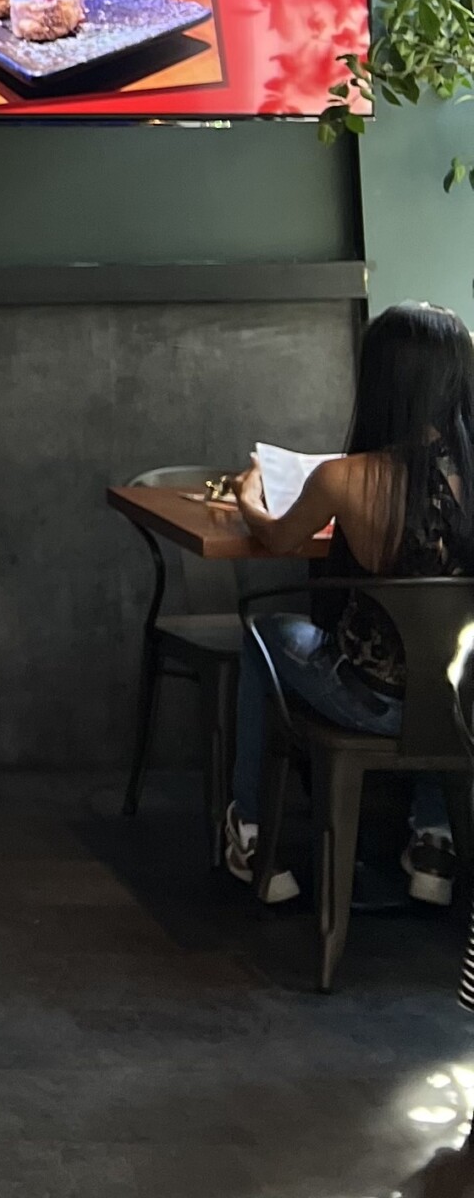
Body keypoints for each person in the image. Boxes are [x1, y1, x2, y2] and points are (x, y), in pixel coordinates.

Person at [224, 303, 474, 906]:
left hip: (372, 701)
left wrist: (248, 491)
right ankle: (434, 841)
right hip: (466, 706)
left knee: (263, 634)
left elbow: (277, 537)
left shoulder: (347, 478)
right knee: (442, 671)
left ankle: (252, 834)